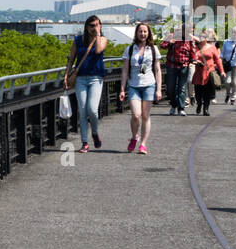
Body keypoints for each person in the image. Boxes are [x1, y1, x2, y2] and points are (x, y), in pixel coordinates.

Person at [63, 14, 108, 152]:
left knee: (92, 109)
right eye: (91, 25)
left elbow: (99, 50)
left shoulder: (102, 39)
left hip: (96, 78)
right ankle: (84, 142)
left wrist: (98, 34)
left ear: (100, 25)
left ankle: (94, 132)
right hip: (81, 78)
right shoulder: (78, 40)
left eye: (97, 25)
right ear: (86, 27)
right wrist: (66, 76)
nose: (94, 28)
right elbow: (71, 60)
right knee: (82, 111)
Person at [117, 22, 162, 153]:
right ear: (136, 33)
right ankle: (134, 137)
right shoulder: (130, 49)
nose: (143, 34)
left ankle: (143, 143)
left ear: (148, 33)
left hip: (149, 84)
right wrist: (122, 88)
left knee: (146, 116)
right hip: (134, 85)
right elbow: (125, 70)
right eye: (140, 31)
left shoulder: (153, 49)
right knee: (136, 115)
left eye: (145, 31)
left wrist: (158, 89)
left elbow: (157, 69)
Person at [164, 32, 197, 115]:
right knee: (171, 87)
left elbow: (193, 50)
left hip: (184, 66)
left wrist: (194, 60)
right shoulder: (172, 36)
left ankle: (181, 108)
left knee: (182, 88)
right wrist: (169, 42)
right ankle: (173, 105)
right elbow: (163, 45)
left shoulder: (190, 39)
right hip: (171, 66)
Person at [192, 33, 223, 115]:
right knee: (198, 92)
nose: (201, 39)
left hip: (209, 73)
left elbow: (218, 60)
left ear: (206, 39)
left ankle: (206, 108)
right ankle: (199, 104)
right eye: (200, 37)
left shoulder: (212, 48)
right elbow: (191, 58)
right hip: (198, 73)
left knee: (207, 92)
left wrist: (222, 71)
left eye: (203, 37)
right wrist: (196, 62)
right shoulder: (195, 48)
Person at [220, 28, 236, 104]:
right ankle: (228, 94)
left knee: (234, 82)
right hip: (228, 64)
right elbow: (222, 53)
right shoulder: (226, 42)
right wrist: (219, 61)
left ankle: (233, 98)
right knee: (227, 81)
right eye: (235, 33)